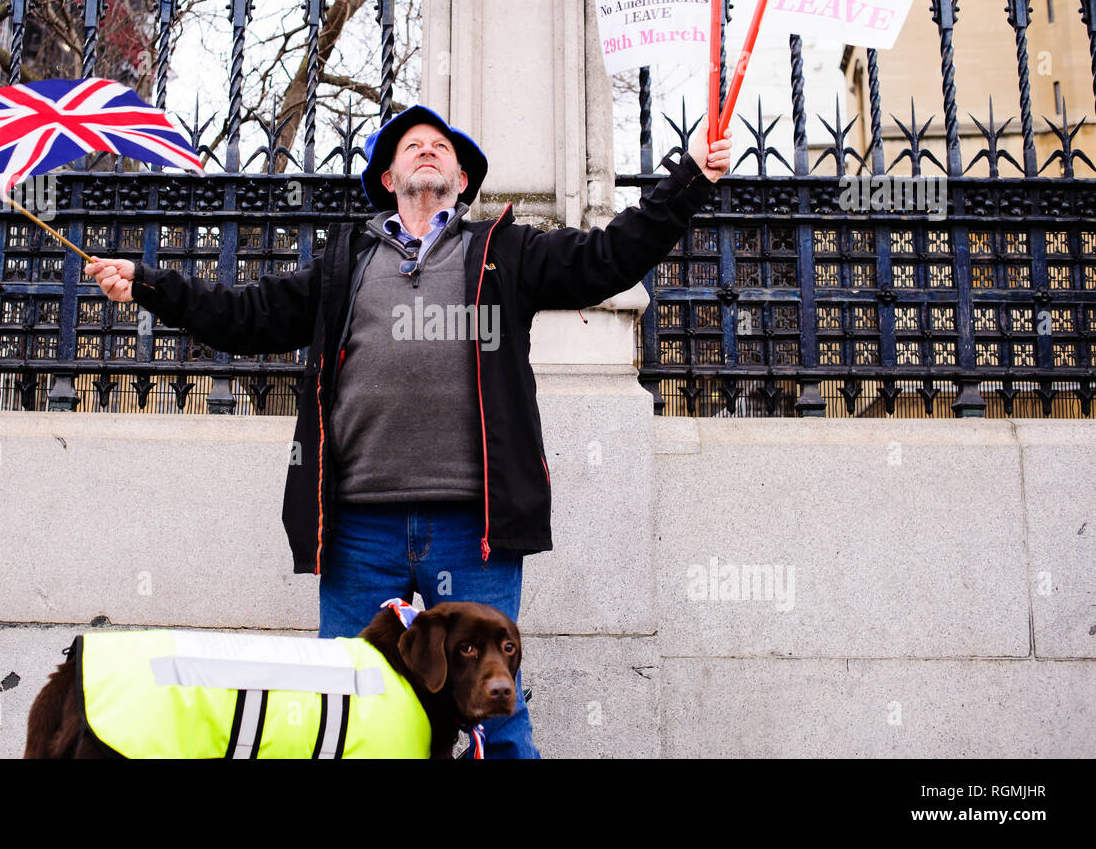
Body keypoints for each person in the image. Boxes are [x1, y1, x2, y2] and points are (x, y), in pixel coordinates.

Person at [85, 105, 732, 758]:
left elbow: (608, 258)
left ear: (461, 175)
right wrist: (148, 283)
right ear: (388, 178)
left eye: (440, 145)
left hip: (474, 527)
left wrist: (689, 181)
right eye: (409, 145)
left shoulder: (504, 251)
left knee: (495, 715)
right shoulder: (346, 263)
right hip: (360, 529)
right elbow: (245, 314)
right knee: (350, 709)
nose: (426, 148)